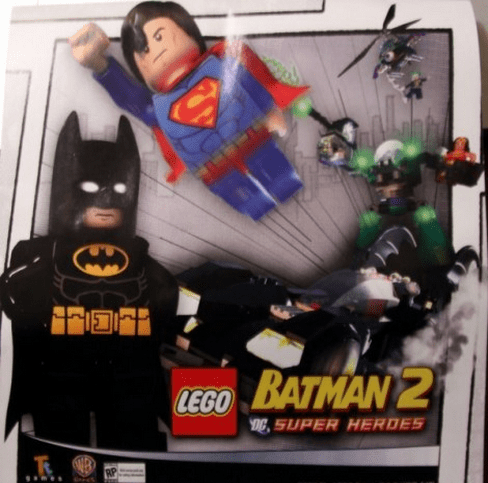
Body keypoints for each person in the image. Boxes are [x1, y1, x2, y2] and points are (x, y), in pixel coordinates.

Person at [1, 112, 179, 450]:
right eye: (90, 190)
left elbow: (167, 292)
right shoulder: (44, 253)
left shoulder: (140, 258)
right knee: (59, 440)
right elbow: (11, 293)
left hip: (125, 373)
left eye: (118, 191)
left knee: (131, 439)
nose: (105, 203)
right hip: (62, 371)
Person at [70, 1, 308, 221]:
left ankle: (291, 195)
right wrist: (100, 65)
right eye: (144, 50)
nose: (154, 50)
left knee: (285, 181)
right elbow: (130, 97)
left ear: (188, 32)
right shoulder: (158, 106)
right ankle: (262, 211)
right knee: (252, 205)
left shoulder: (219, 64)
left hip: (255, 140)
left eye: (159, 36)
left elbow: (247, 83)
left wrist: (269, 110)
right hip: (214, 170)